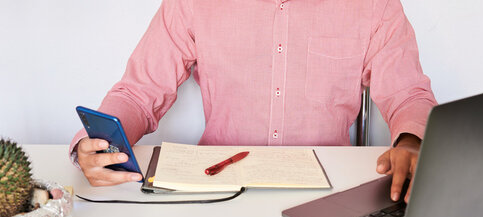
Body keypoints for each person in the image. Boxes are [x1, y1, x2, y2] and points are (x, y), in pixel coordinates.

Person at [70, 0, 437, 202]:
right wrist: (98, 146)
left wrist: (412, 141)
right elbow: (138, 92)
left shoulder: (374, 6)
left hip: (328, 196)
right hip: (214, 193)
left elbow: (409, 95)